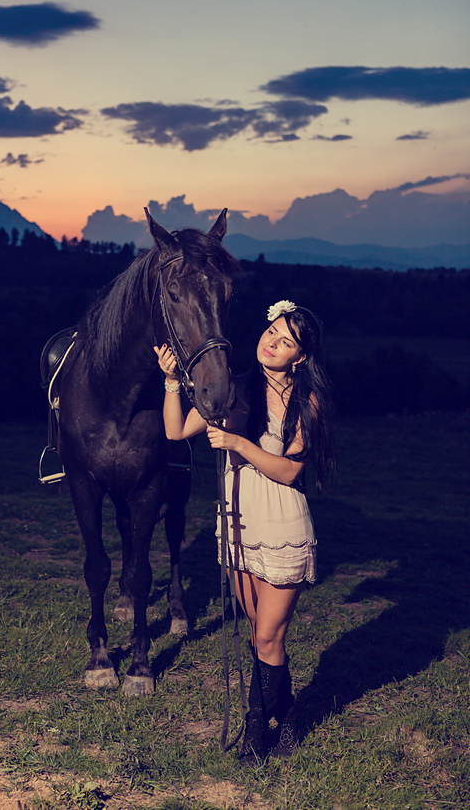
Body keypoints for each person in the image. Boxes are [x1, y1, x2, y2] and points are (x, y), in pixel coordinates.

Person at [154, 299, 334, 765]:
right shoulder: (232, 389)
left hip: (281, 526)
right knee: (258, 633)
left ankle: (257, 728)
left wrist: (237, 443)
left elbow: (289, 472)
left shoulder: (304, 401)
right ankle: (289, 715)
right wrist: (174, 382)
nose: (272, 342)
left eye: (286, 341)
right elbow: (176, 431)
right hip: (236, 525)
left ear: (301, 357)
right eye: (271, 331)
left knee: (270, 634)